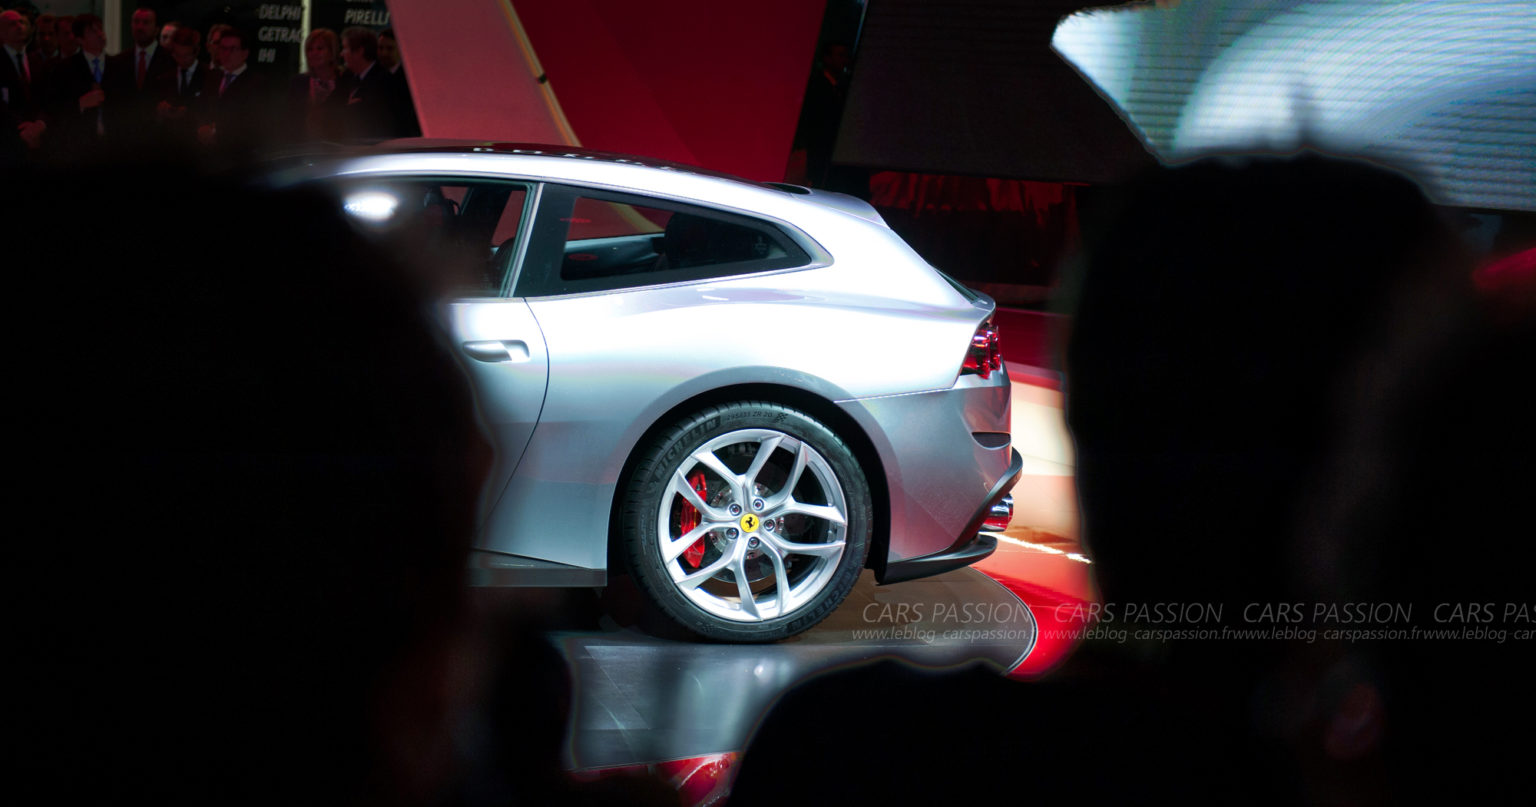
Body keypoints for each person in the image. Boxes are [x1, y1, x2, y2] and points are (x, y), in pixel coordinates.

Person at [196, 27, 271, 160]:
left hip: (239, 156)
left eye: (232, 49)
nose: (227, 54)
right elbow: (202, 108)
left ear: (245, 53)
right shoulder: (213, 77)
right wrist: (201, 127)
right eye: (223, 48)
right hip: (208, 156)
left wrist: (215, 132)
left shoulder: (257, 83)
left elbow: (254, 124)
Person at [336, 26, 397, 141]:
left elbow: (376, 121)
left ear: (359, 51)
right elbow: (332, 108)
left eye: (345, 48)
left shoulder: (385, 81)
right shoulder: (347, 76)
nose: (341, 54)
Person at [285, 27, 344, 143]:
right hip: (305, 146)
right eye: (310, 49)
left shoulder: (346, 80)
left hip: (340, 144)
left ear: (332, 51)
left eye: (320, 48)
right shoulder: (299, 82)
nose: (314, 53)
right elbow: (291, 120)